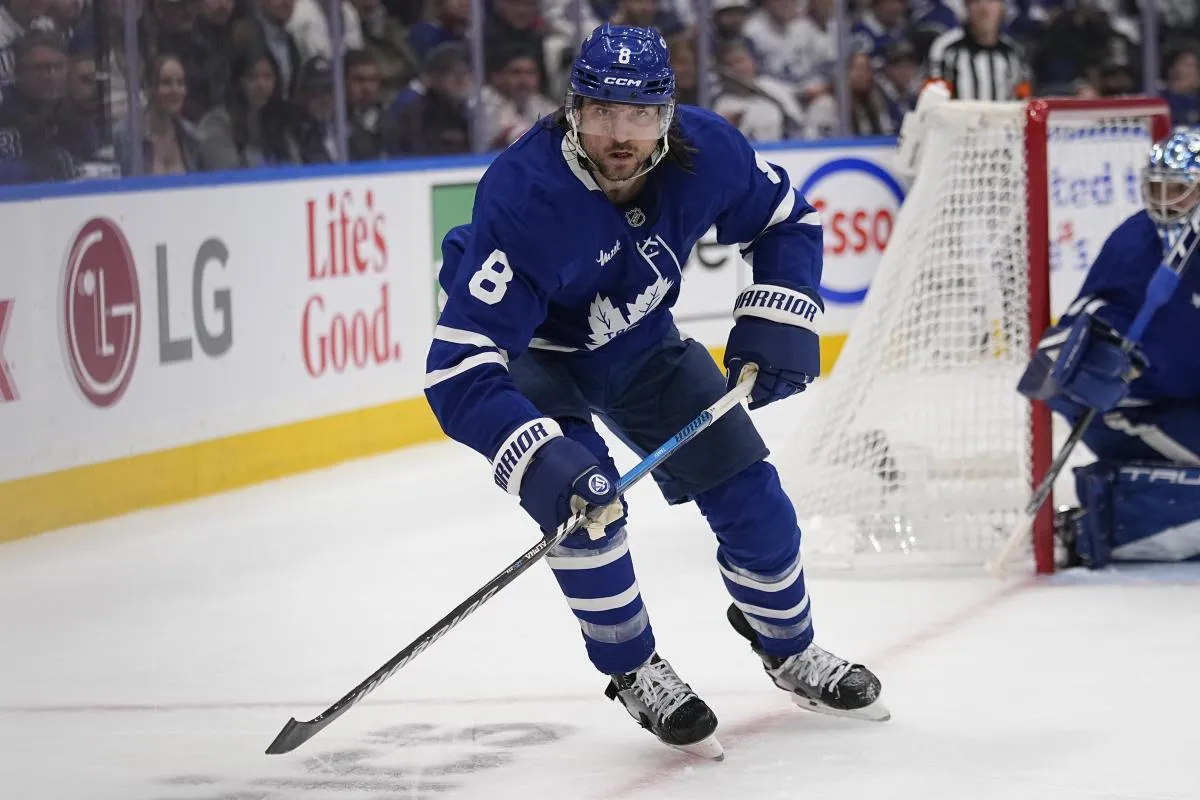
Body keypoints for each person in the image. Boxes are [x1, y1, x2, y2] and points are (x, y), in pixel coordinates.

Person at [423, 23, 888, 760]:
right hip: (534, 351)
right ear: (573, 110)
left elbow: (785, 219)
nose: (620, 134)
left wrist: (780, 313)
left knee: (757, 502)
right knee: (585, 506)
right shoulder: (525, 198)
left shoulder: (708, 154)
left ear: (666, 115)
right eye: (602, 111)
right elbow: (456, 366)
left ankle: (789, 648)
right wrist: (538, 458)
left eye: (639, 114)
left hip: (638, 343)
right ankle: (634, 666)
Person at [1018, 127, 1200, 569]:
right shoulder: (1135, 242)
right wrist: (1097, 372)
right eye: (1156, 188)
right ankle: (1091, 526)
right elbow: (1056, 360)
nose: (1163, 202)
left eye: (1177, 190)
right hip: (1134, 411)